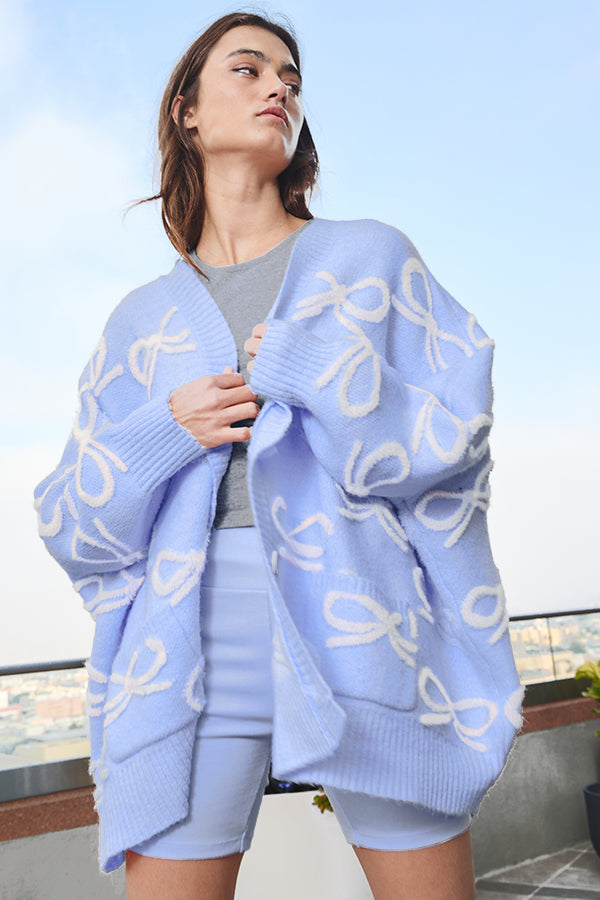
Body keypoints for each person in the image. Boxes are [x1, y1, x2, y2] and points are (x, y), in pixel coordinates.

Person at [34, 11, 523, 900]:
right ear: (186, 110)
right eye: (249, 69)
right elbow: (74, 521)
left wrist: (321, 373)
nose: (278, 89)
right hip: (187, 654)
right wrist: (163, 433)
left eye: (291, 80)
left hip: (363, 626)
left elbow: (458, 435)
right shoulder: (139, 322)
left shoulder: (370, 257)